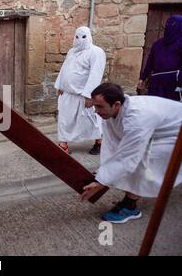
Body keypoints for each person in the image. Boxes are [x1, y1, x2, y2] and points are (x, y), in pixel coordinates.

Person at [81, 83, 182, 223]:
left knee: (144, 159)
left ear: (116, 104)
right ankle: (129, 200)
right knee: (132, 157)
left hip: (175, 134)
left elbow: (128, 156)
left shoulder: (137, 118)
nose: (95, 111)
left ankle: (130, 207)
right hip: (160, 131)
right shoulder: (112, 113)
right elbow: (112, 145)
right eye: (94, 106)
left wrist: (101, 182)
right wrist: (102, 174)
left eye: (99, 106)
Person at [54, 26, 106, 155]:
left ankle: (99, 142)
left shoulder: (96, 52)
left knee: (91, 119)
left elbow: (96, 73)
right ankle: (63, 144)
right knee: (64, 119)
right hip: (68, 93)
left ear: (89, 36)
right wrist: (60, 85)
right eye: (77, 37)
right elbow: (64, 68)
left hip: (83, 94)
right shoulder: (72, 51)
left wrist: (90, 96)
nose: (80, 40)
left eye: (83, 37)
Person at [137, 14, 182, 101]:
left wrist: (143, 78)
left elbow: (149, 63)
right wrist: (143, 78)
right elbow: (150, 62)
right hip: (172, 83)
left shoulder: (157, 43)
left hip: (158, 82)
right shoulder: (159, 44)